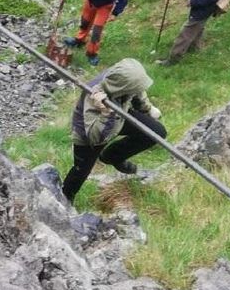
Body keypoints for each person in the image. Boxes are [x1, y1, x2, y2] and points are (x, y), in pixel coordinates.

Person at [62, 58, 165, 203]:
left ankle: (113, 156)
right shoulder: (93, 95)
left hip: (120, 116)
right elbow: (95, 137)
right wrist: (106, 112)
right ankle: (65, 198)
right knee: (81, 171)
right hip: (93, 129)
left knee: (156, 132)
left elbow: (137, 92)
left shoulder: (123, 80)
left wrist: (147, 109)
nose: (139, 88)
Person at [57, 0, 130, 67]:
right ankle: (79, 40)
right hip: (90, 0)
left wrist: (115, 13)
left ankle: (92, 53)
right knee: (85, 21)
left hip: (105, 5)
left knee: (97, 30)